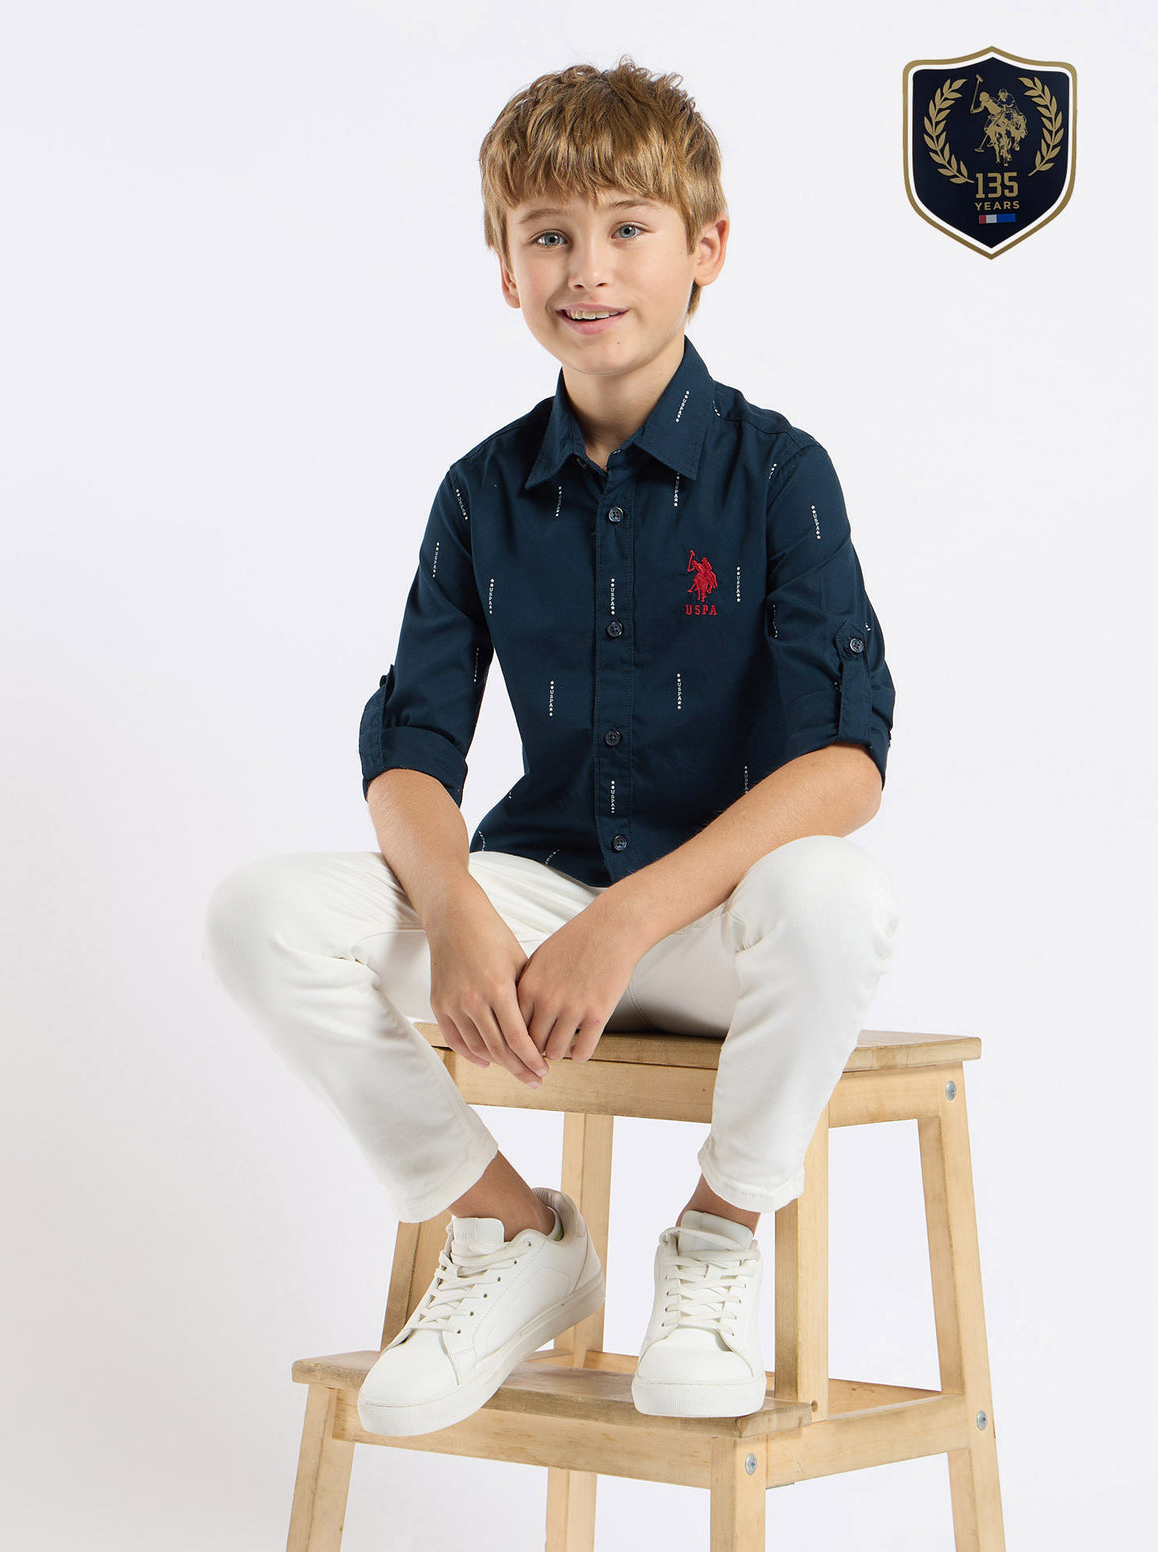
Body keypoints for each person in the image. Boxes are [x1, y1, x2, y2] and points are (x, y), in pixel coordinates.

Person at [201, 56, 898, 1439]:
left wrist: (628, 923)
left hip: (716, 923)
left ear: (705, 248)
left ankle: (716, 1237)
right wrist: (458, 908)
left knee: (838, 895)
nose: (588, 269)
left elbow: (845, 768)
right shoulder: (481, 493)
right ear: (505, 265)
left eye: (628, 228)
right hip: (535, 899)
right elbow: (412, 747)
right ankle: (510, 1229)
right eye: (548, 235)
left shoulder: (780, 474)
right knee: (259, 915)